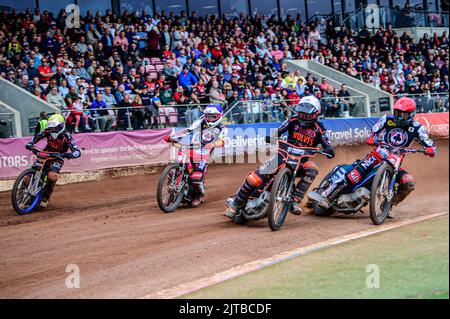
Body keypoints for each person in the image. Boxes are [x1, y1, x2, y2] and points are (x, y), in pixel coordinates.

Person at [308, 97, 437, 218]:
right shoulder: (387, 119)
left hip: (394, 162)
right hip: (377, 154)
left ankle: (388, 205)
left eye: (402, 114)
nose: (399, 117)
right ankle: (327, 197)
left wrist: (430, 149)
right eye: (397, 113)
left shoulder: (417, 128)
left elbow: (430, 144)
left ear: (411, 114)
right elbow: (374, 131)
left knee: (408, 183)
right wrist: (372, 138)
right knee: (354, 175)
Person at [225, 96, 335, 218]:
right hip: (282, 156)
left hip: (300, 163)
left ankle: (295, 200)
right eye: (301, 114)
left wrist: (329, 149)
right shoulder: (292, 121)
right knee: (255, 177)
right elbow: (279, 130)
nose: (303, 117)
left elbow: (326, 142)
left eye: (306, 115)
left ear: (315, 115)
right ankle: (235, 205)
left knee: (312, 168)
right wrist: (272, 137)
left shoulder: (319, 129)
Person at [164, 104, 225, 206]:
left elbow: (222, 141)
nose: (210, 118)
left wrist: (212, 144)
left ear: (219, 116)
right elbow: (188, 130)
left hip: (204, 153)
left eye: (213, 116)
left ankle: (199, 195)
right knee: (175, 168)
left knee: (196, 178)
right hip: (192, 148)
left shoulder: (222, 127)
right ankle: (173, 189)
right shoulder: (201, 122)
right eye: (208, 116)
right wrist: (173, 137)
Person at [25, 114, 81, 208]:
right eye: (50, 128)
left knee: (52, 176)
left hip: (58, 157)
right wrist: (31, 143)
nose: (52, 130)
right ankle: (23, 193)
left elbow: (77, 152)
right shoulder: (47, 131)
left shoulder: (66, 135)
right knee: (26, 178)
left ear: (61, 126)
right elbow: (37, 136)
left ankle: (45, 198)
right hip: (46, 153)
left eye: (54, 128)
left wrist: (68, 154)